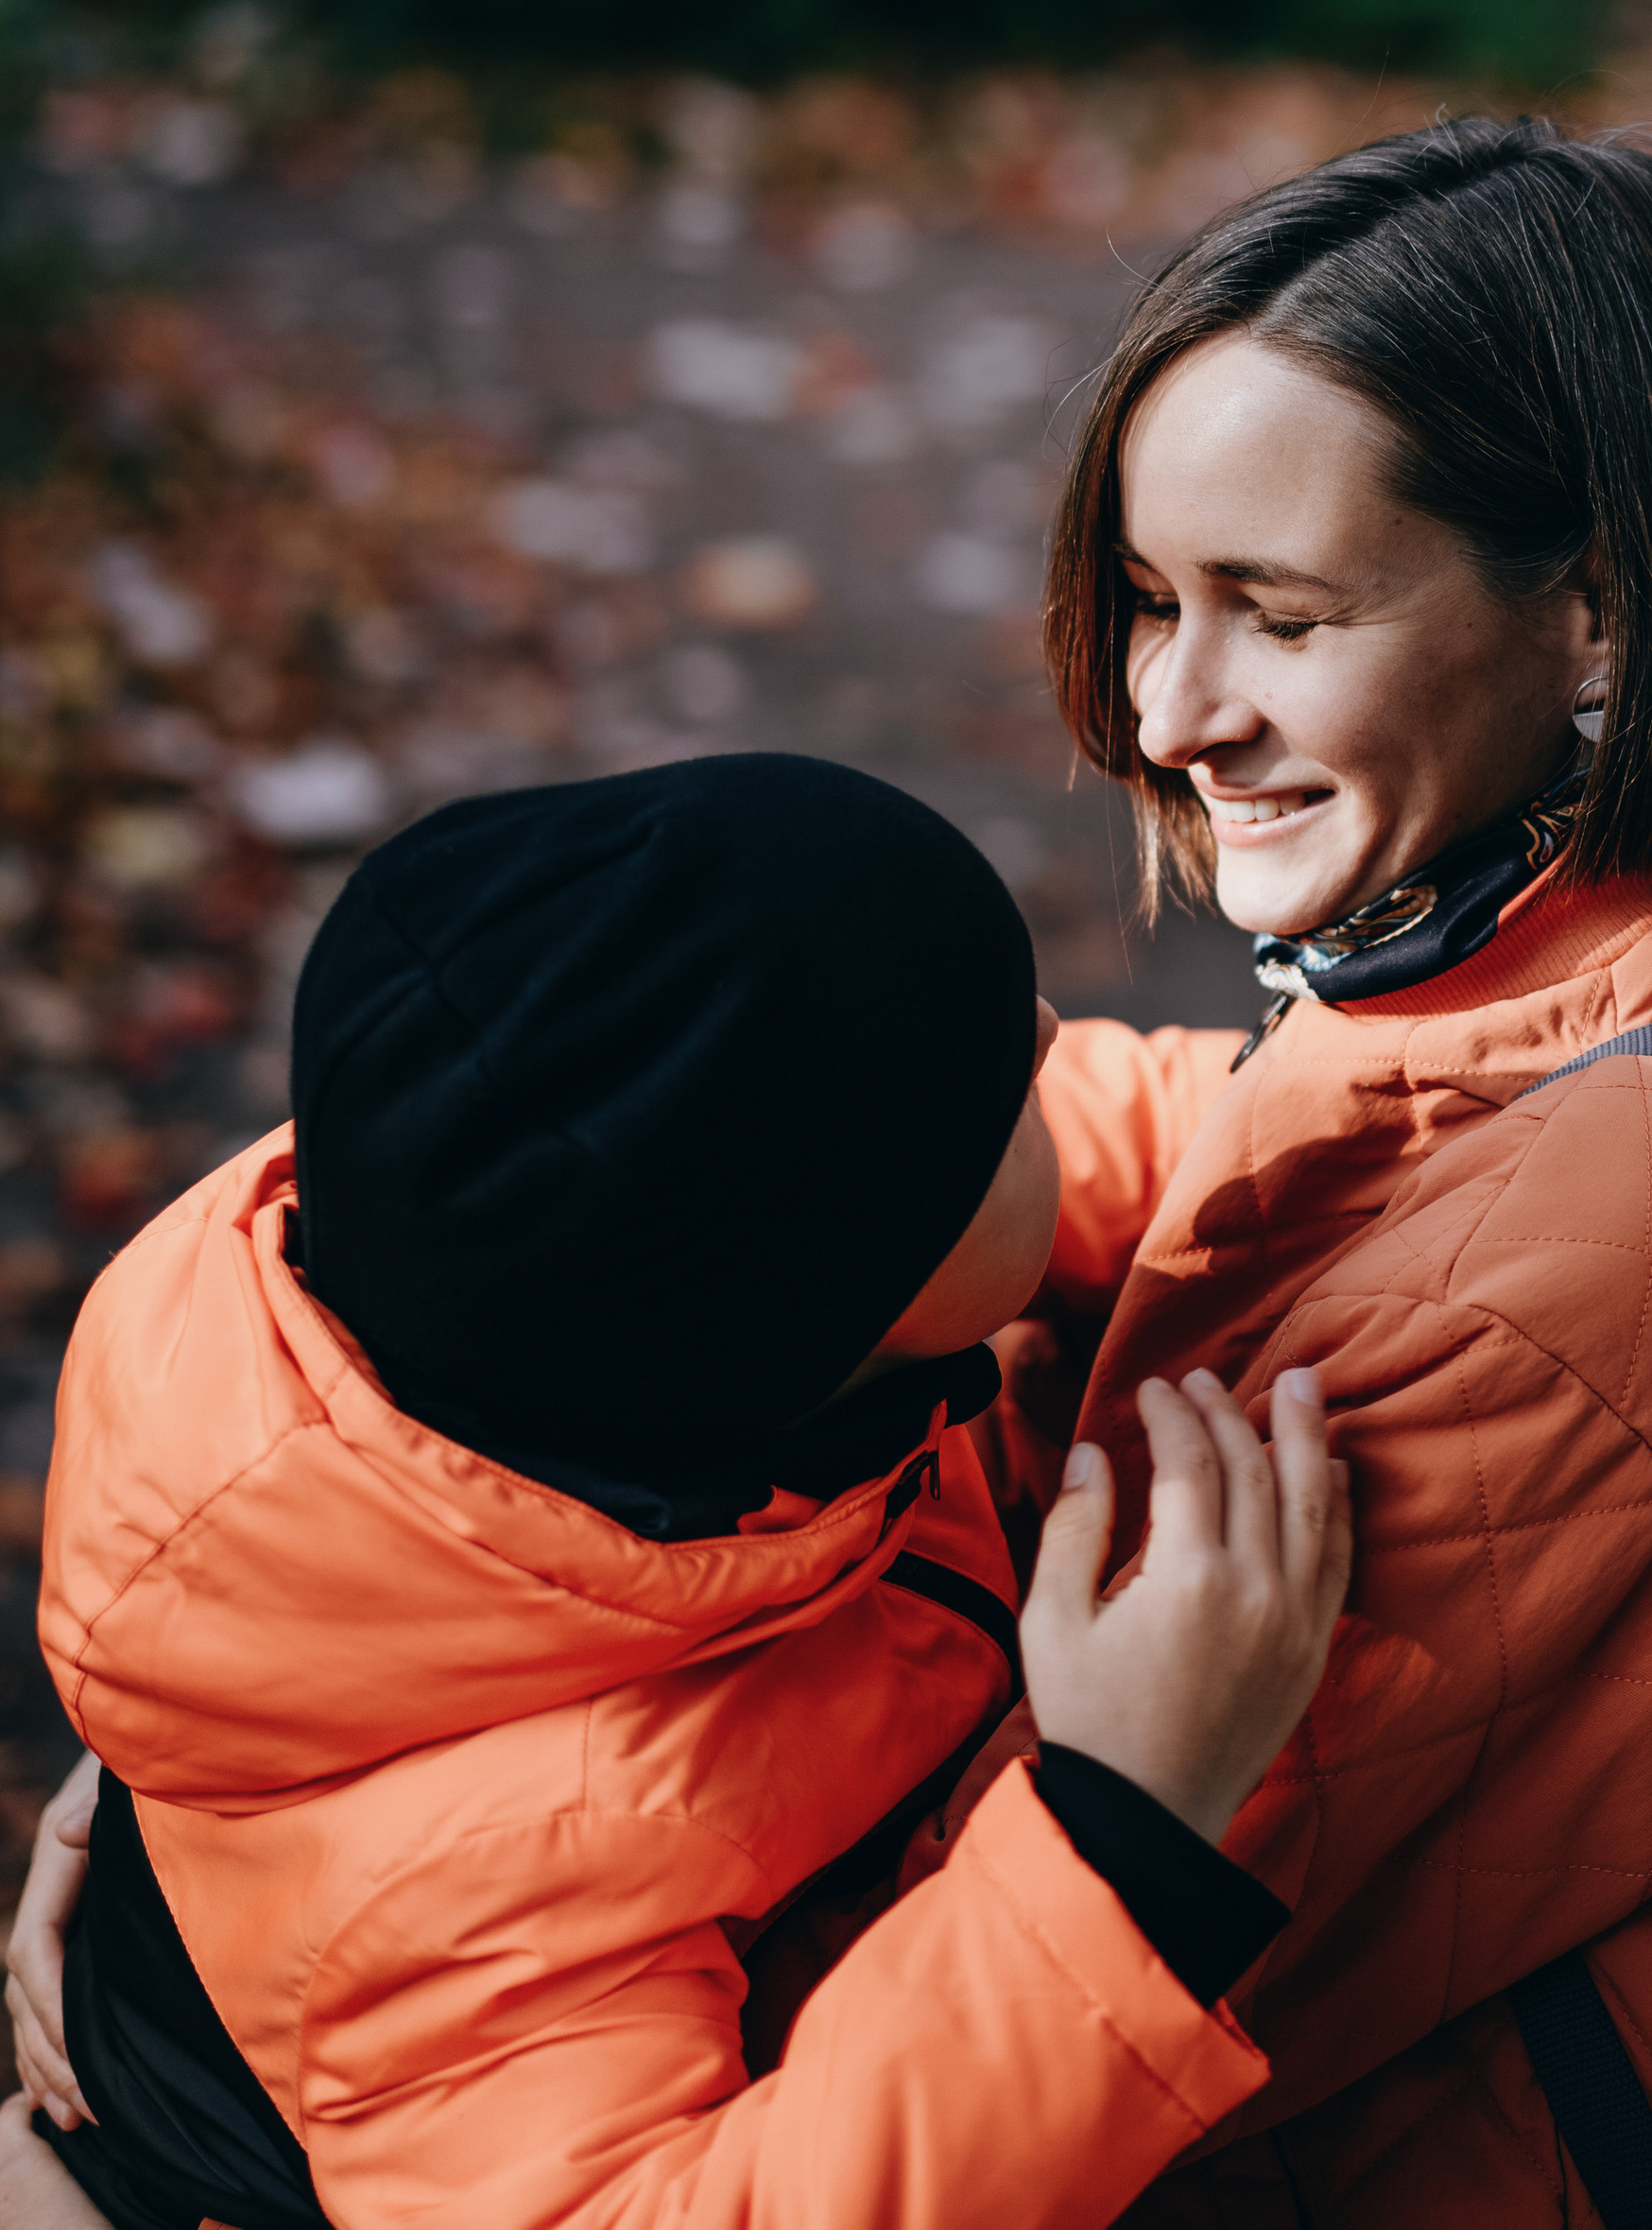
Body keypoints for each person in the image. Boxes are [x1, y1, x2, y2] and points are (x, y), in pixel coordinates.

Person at [1000, 115, 1652, 2229]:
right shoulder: (1601, 948)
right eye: (1144, 603)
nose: (1170, 713)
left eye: (1273, 616)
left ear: (1594, 616)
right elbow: (1240, 1131)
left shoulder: (1611, 1264)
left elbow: (1027, 2025)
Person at [0, 753, 1350, 2230]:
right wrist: (1124, 1833)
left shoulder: (500, 1222)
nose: (1044, 1034)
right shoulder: (502, 1871)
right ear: (831, 1309)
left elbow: (980, 1142)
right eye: (993, 1096)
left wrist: (1327, 1111)